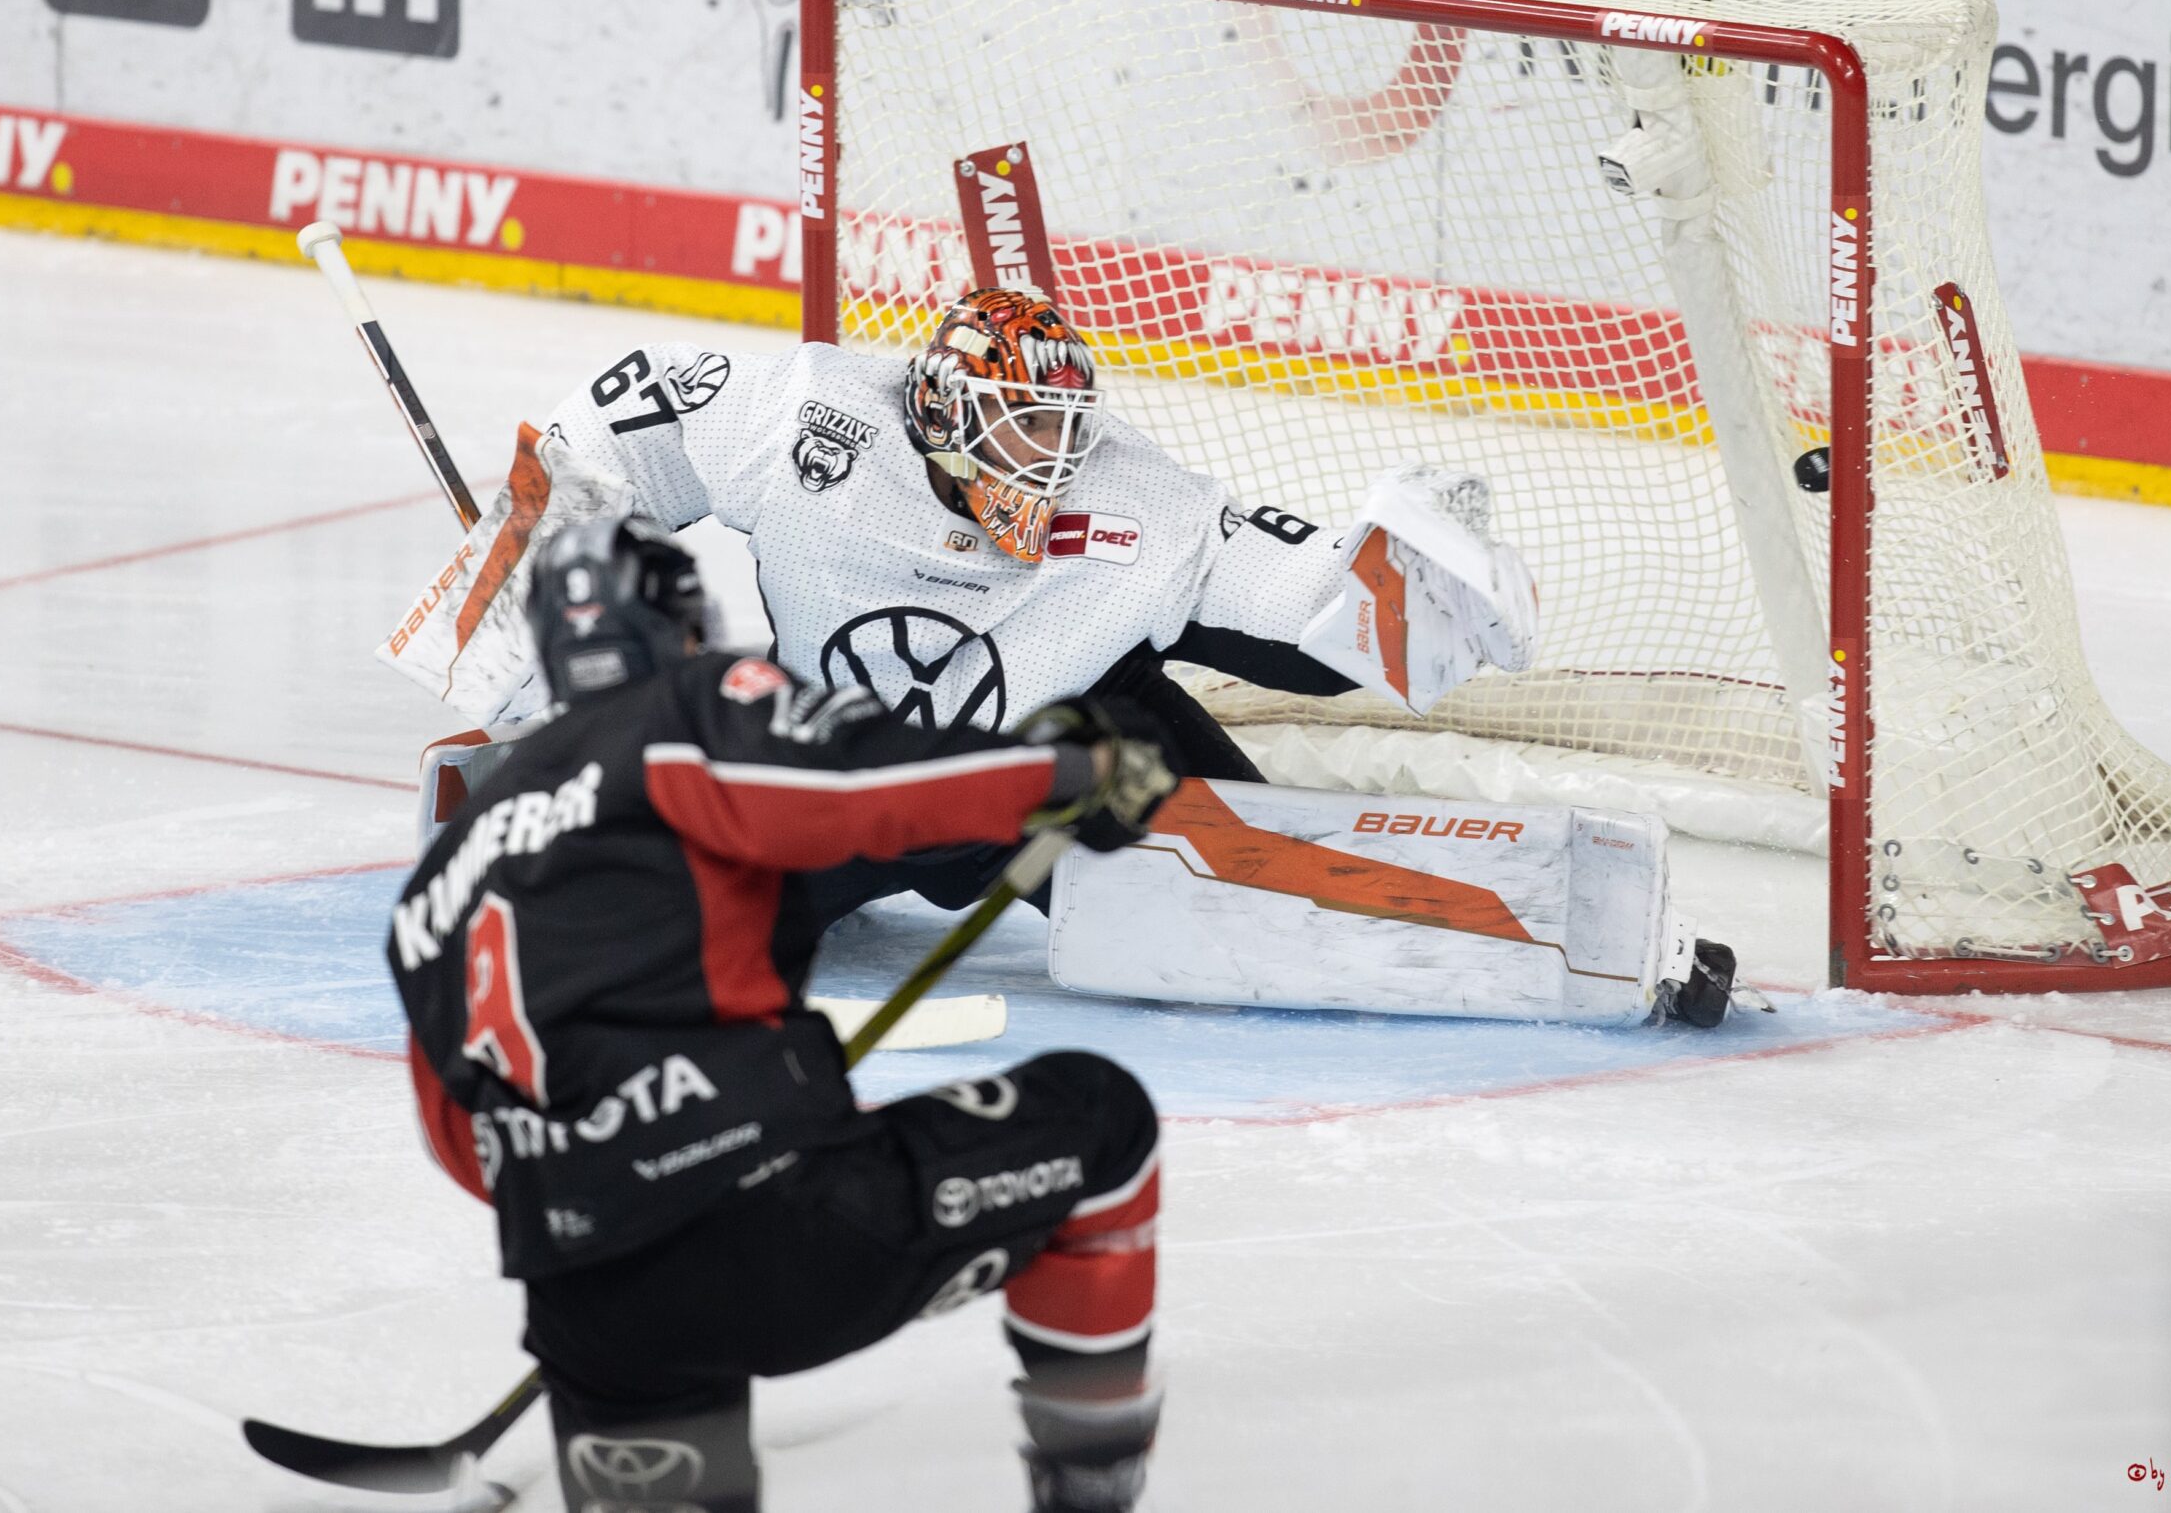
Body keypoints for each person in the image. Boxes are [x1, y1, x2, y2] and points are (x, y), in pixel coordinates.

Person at [390, 515, 1181, 1513]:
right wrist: (1073, 774)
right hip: (780, 1232)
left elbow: (460, 1141)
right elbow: (853, 786)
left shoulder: (439, 880)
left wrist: (609, 1180)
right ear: (677, 625)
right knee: (1102, 1123)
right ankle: (1090, 1485)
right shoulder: (686, 706)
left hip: (588, 1311)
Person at [392, 286, 1539, 919]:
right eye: (1022, 428)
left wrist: (1401, 596)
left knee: (1228, 896)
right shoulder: (807, 421)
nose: (1050, 461)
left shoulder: (1131, 496)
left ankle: (1327, 891)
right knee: (673, 918)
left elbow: (1292, 598)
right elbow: (613, 425)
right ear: (943, 413)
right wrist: (533, 600)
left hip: (1037, 776)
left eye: (1065, 432)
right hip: (840, 777)